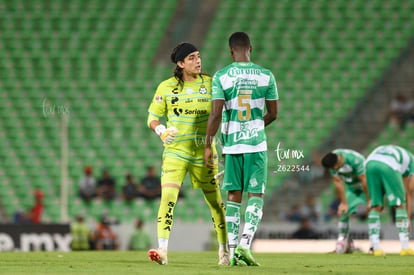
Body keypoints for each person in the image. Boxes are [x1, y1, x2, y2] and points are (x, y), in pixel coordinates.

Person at [146, 42, 228, 265]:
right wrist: (161, 130)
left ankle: (224, 251)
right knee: (168, 198)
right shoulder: (166, 87)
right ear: (181, 64)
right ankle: (162, 251)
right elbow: (152, 118)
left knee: (216, 203)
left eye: (199, 56)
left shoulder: (212, 84)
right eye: (192, 57)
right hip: (176, 153)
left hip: (205, 152)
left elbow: (224, 113)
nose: (198, 60)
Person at [204, 32, 278, 266]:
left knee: (233, 197)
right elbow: (274, 114)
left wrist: (207, 144)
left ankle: (234, 250)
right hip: (256, 144)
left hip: (232, 144)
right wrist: (255, 125)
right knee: (256, 195)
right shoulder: (267, 76)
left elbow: (216, 113)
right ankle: (245, 246)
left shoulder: (221, 76)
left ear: (230, 51)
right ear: (250, 48)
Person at [365, 145, 414, 256]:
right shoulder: (412, 162)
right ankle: (405, 248)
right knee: (400, 204)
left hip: (369, 163)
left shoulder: (398, 152)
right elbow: (408, 191)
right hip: (389, 164)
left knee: (375, 205)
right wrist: (408, 217)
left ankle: (376, 247)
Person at [321, 149, 369, 253]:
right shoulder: (332, 160)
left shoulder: (355, 160)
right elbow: (337, 181)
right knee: (343, 211)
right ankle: (343, 242)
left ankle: (375, 245)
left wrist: (369, 200)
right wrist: (344, 203)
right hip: (352, 188)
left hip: (367, 187)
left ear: (337, 162)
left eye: (334, 167)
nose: (333, 169)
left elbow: (364, 180)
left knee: (374, 209)